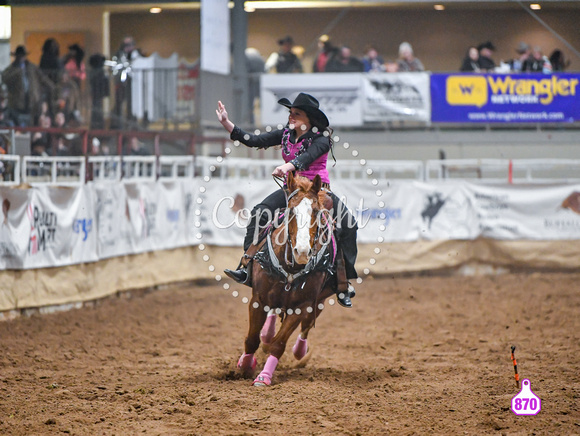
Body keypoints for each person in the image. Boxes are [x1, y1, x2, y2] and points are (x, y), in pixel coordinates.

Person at [216, 93, 358, 308]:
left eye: (296, 114)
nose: (291, 117)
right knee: (259, 213)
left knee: (349, 225)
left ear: (309, 118)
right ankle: (247, 266)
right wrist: (228, 124)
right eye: (290, 113)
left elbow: (306, 157)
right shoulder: (286, 135)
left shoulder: (322, 139)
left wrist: (287, 166)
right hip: (291, 190)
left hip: (317, 192)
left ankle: (342, 282)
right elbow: (254, 140)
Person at [2, 45, 55, 127]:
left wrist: (53, 88)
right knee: (18, 126)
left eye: (23, 56)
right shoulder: (11, 69)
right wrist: (18, 71)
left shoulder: (31, 67)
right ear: (16, 56)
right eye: (19, 56)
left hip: (32, 103)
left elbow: (42, 78)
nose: (21, 58)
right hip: (16, 105)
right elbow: (5, 78)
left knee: (32, 125)